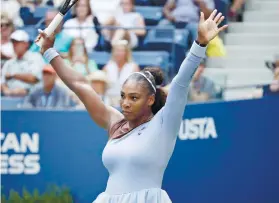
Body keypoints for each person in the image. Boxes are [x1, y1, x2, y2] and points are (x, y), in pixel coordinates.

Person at [35, 9, 227, 203]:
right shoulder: (115, 122)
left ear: (150, 99)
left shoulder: (164, 123)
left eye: (134, 98)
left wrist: (200, 44)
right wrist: (49, 51)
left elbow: (180, 83)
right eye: (123, 96)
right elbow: (81, 86)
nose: (125, 103)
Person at [1, 30, 44, 97]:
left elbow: (34, 78)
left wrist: (13, 75)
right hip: (10, 98)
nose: (14, 45)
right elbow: (2, 81)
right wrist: (7, 91)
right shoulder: (9, 62)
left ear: (26, 44)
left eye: (17, 42)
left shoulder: (35, 57)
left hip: (31, 98)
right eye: (13, 42)